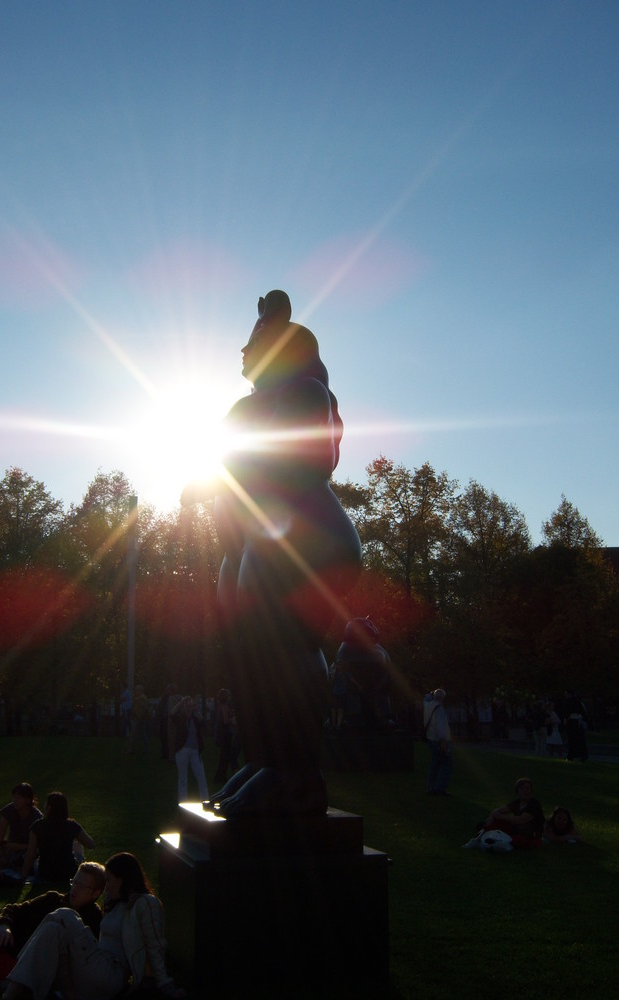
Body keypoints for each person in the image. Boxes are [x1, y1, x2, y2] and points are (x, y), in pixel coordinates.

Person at [181, 290, 362, 816]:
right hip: (257, 545)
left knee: (283, 648)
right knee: (247, 654)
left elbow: (305, 458)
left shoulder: (306, 391)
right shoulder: (252, 404)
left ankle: (297, 773)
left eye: (254, 339)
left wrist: (221, 473)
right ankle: (266, 759)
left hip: (305, 539)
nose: (241, 350)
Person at [2, 852, 184, 1000]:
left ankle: (15, 979)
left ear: (123, 879)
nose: (107, 887)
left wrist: (165, 984)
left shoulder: (145, 903)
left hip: (111, 973)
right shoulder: (115, 906)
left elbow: (155, 945)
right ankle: (11, 991)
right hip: (95, 967)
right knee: (54, 928)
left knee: (65, 914)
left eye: (110, 880)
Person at [20, 791, 94, 882]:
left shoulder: (37, 826)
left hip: (45, 873)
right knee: (78, 851)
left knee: (36, 862)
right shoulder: (72, 825)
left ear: (49, 808)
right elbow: (90, 844)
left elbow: (30, 855)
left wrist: (23, 877)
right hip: (69, 871)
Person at [483, 777, 545, 848]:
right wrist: (492, 817)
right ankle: (480, 839)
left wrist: (500, 816)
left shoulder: (534, 804)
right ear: (517, 791)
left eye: (527, 788)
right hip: (516, 830)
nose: (525, 791)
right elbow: (498, 811)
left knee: (517, 841)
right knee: (494, 822)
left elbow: (521, 820)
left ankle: (497, 842)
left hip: (530, 836)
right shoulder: (517, 803)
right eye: (522, 789)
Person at [171, 695, 209, 802]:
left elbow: (203, 724)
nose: (189, 709)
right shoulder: (181, 718)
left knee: (201, 776)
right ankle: (183, 801)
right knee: (183, 778)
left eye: (190, 707)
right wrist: (181, 702)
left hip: (195, 751)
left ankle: (205, 800)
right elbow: (172, 713)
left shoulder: (195, 719)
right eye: (187, 707)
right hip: (183, 750)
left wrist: (197, 711)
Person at [424, 689, 452, 795]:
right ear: (442, 698)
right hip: (439, 740)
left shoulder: (428, 706)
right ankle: (440, 788)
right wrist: (443, 742)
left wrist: (430, 694)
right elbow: (440, 727)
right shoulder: (439, 709)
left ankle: (430, 787)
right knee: (447, 765)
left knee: (434, 764)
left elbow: (426, 697)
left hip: (431, 738)